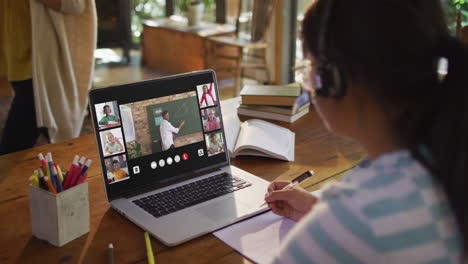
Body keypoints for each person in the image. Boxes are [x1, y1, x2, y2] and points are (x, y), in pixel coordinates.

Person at [264, 0, 467, 263]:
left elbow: (371, 220)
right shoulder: (446, 159)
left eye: (308, 68)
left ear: (334, 78)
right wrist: (321, 214)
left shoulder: (359, 212)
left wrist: (335, 224)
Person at [0, 0, 96, 155]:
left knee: (12, 149)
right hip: (16, 58)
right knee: (49, 135)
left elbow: (76, 4)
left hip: (40, 66)